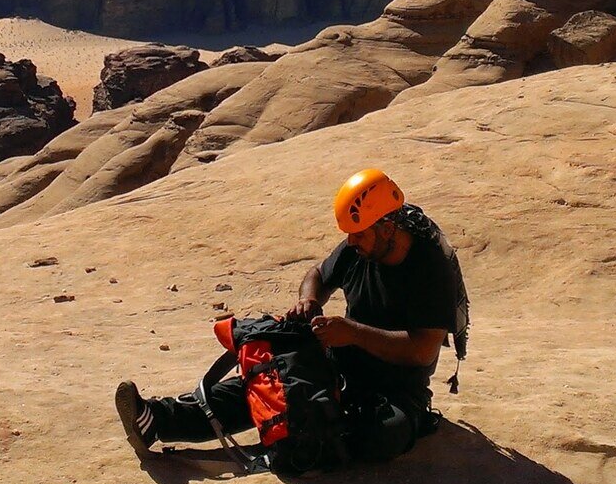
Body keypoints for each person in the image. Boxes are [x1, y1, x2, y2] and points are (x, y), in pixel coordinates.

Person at [116, 168, 465, 464]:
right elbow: (317, 275)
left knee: (384, 435)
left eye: (359, 235)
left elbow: (422, 351)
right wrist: (308, 300)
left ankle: (304, 442)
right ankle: (158, 419)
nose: (352, 242)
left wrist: (354, 333)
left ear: (387, 227)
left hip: (397, 390)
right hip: (341, 363)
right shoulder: (359, 247)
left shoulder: (428, 268)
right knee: (269, 384)